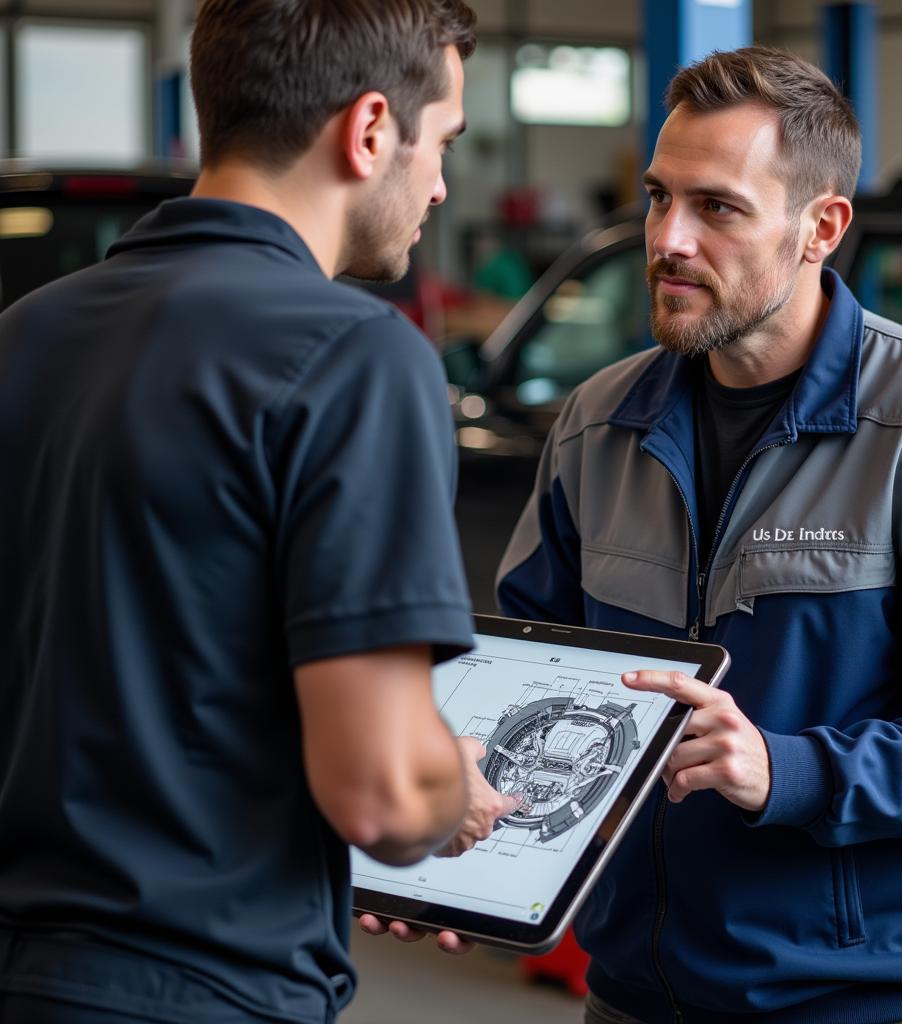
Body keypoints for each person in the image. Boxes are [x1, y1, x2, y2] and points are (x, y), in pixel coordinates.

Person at [0, 2, 517, 1022]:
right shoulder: (357, 359)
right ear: (372, 130)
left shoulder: (24, 335)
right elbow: (381, 791)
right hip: (200, 987)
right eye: (442, 142)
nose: (442, 182)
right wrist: (447, 783)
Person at [496, 46, 902, 1023]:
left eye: (718, 207)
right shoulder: (595, 425)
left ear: (820, 227)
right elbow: (528, 679)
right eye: (658, 197)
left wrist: (790, 770)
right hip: (636, 997)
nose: (668, 238)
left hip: (868, 1003)